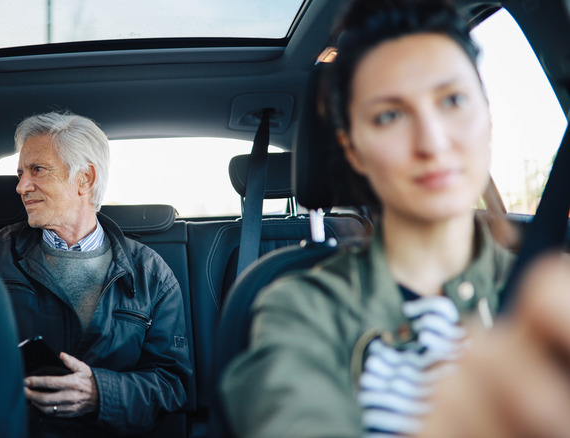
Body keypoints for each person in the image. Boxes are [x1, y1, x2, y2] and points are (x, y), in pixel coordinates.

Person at [220, 0, 518, 436]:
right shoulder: (302, 311)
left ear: (487, 116)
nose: (432, 142)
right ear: (353, 149)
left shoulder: (547, 288)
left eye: (453, 100)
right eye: (390, 115)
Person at [0, 111, 191, 437]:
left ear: (85, 179)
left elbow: (172, 385)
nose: (21, 186)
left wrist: (100, 393)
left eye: (37, 170)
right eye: (20, 173)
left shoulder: (152, 275)